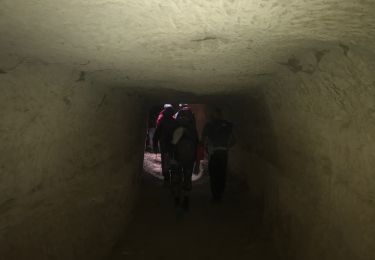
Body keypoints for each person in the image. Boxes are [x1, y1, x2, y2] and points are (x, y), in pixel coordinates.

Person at [202, 108, 235, 202]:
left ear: (213, 115)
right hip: (223, 152)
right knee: (222, 173)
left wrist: (206, 149)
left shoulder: (209, 125)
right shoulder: (228, 125)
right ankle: (220, 194)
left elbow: (204, 139)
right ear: (221, 114)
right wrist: (227, 147)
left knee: (213, 174)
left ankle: (215, 195)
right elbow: (234, 139)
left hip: (214, 152)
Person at [170, 106, 199, 210]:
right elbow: (197, 146)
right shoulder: (193, 131)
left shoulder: (175, 128)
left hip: (177, 158)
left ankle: (177, 198)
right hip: (189, 159)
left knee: (176, 178)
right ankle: (186, 198)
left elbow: (172, 145)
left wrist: (171, 158)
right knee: (187, 178)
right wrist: (197, 163)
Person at [153, 105, 176, 184]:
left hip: (164, 144)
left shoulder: (162, 120)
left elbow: (157, 133)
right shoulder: (174, 121)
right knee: (173, 160)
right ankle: (173, 178)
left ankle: (167, 179)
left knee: (165, 161)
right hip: (173, 144)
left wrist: (155, 144)